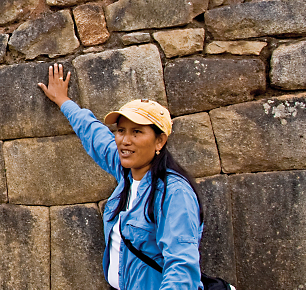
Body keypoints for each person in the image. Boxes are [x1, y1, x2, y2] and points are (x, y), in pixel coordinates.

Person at [39, 63, 204, 290]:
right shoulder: (127, 171)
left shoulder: (173, 193)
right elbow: (94, 134)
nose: (125, 140)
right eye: (121, 130)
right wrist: (63, 101)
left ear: (160, 141)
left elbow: (181, 268)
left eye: (137, 132)